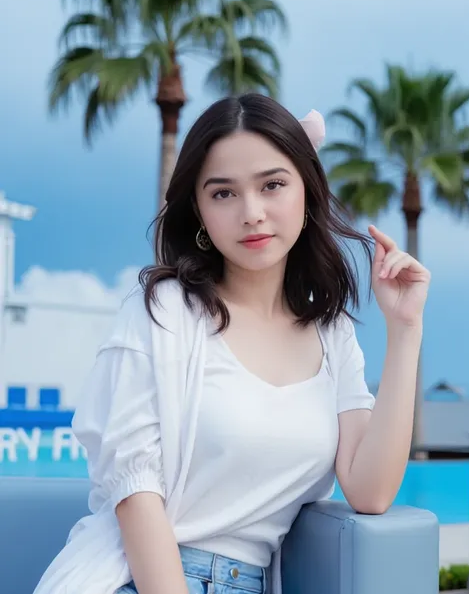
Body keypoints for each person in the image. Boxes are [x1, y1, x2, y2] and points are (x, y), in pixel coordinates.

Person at [33, 93, 430, 594]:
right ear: (198, 210)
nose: (252, 212)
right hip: (137, 579)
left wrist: (406, 329)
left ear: (306, 190)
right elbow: (135, 490)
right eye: (223, 193)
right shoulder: (162, 311)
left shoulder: (332, 335)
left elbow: (370, 491)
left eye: (273, 185)